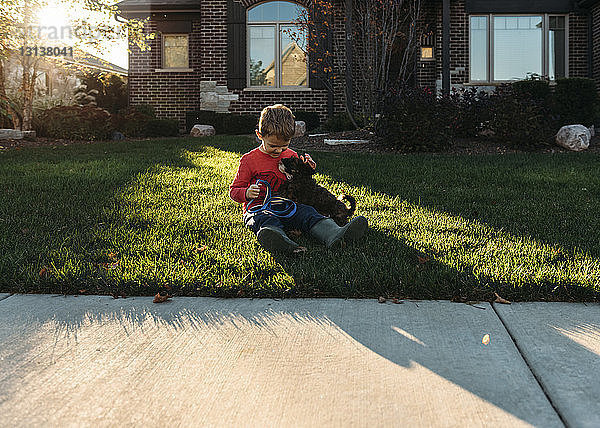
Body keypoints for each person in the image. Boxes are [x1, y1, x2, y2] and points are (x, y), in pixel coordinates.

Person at [229, 104, 368, 253]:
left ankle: (334, 233)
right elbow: (234, 191)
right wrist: (246, 193)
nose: (279, 151)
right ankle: (279, 240)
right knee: (265, 220)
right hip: (259, 209)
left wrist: (308, 169)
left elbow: (302, 182)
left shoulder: (291, 155)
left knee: (308, 212)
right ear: (260, 135)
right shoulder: (249, 160)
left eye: (284, 146)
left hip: (289, 207)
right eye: (273, 146)